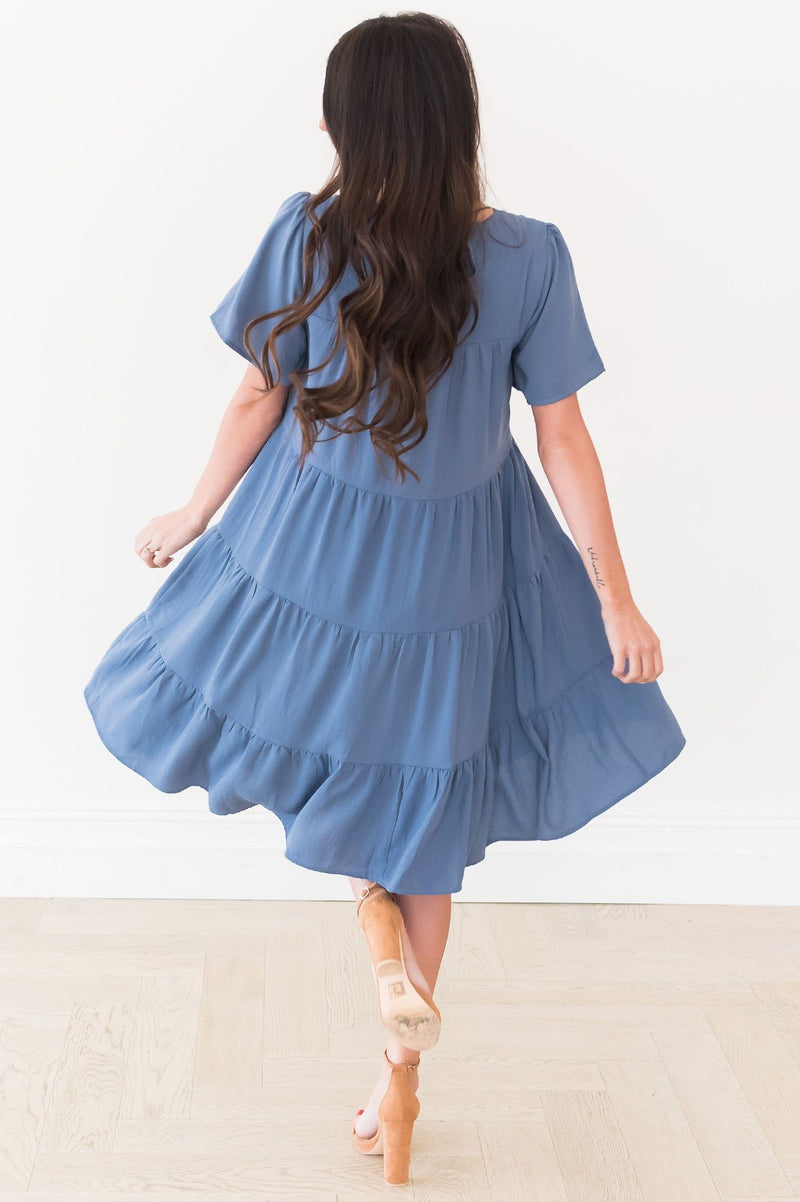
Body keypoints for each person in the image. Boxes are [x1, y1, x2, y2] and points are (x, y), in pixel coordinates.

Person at [83, 11, 686, 1187]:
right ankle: (397, 1075)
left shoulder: (305, 236)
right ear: (458, 120)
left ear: (346, 124)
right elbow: (562, 440)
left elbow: (256, 396)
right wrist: (616, 600)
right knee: (425, 809)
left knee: (294, 731)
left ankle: (372, 934)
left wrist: (194, 511)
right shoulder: (527, 254)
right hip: (455, 571)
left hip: (311, 549)